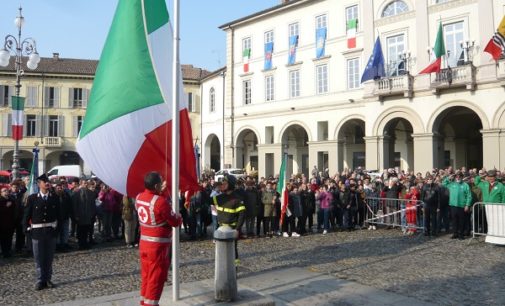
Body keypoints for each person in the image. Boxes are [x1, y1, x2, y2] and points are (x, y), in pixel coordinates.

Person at [136, 172, 182, 306]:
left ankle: (144, 303)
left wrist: (161, 192)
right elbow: (174, 221)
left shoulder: (139, 197)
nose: (162, 185)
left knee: (146, 276)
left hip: (144, 243)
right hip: (157, 247)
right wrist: (179, 217)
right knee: (156, 279)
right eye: (160, 183)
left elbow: (154, 205)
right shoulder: (160, 202)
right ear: (156, 185)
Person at [23, 174, 61, 290]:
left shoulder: (54, 198)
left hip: (50, 231)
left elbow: (59, 215)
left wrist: (57, 230)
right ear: (39, 184)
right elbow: (26, 216)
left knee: (49, 258)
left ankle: (48, 279)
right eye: (44, 182)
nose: (47, 183)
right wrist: (26, 229)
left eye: (47, 181)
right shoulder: (33, 198)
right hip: (37, 232)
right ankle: (40, 280)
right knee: (39, 258)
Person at [213, 174, 245, 265]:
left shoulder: (237, 198)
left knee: (233, 248)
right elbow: (206, 200)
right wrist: (199, 189)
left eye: (224, 183)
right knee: (220, 249)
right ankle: (222, 267)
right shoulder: (219, 198)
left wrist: (237, 229)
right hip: (220, 228)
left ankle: (234, 268)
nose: (222, 184)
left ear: (230, 184)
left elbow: (242, 216)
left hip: (232, 228)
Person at [443, 172, 472, 240]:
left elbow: (469, 196)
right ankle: (455, 233)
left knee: (461, 221)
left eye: (459, 176)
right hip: (453, 205)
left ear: (462, 177)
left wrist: (467, 205)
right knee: (454, 220)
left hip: (461, 206)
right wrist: (449, 177)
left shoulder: (465, 185)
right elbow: (444, 183)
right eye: (456, 176)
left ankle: (461, 234)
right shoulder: (452, 184)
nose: (458, 178)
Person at [72, 181, 97, 250]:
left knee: (86, 230)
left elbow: (93, 204)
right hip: (80, 215)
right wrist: (76, 215)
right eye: (84, 183)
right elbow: (75, 205)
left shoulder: (91, 193)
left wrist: (93, 214)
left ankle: (85, 243)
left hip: (88, 215)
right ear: (81, 184)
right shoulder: (77, 193)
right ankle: (81, 244)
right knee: (80, 231)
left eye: (86, 183)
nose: (85, 185)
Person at [0, 187, 16, 258]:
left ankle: (8, 251)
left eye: (7, 191)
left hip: (10, 223)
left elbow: (15, 211)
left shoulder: (11, 200)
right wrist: (6, 206)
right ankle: (4, 252)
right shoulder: (1, 201)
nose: (6, 192)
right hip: (2, 224)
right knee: (3, 239)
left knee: (9, 238)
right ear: (1, 193)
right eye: (4, 191)